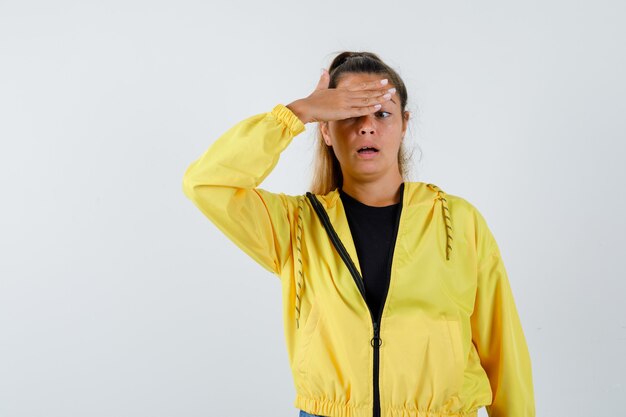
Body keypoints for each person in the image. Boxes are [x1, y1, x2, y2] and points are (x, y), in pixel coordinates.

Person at [182, 51, 535, 417]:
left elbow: (503, 349)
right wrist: (296, 113)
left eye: (382, 113)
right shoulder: (297, 226)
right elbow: (206, 183)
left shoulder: (457, 221)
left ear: (404, 124)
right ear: (326, 129)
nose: (367, 126)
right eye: (350, 114)